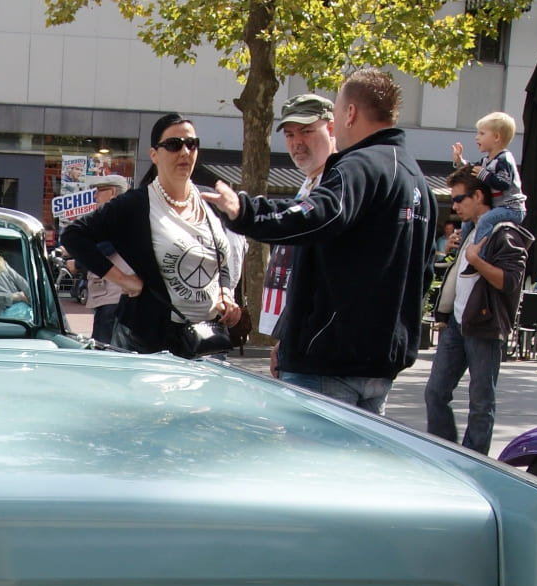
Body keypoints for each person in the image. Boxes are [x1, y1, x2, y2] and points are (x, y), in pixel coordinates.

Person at [205, 68, 436, 414]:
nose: (298, 141)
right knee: (352, 464)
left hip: (331, 360)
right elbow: (424, 273)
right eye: (291, 134)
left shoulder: (358, 166)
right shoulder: (416, 179)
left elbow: (315, 216)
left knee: (313, 464)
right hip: (378, 360)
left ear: (349, 113)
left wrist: (245, 212)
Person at [61, 112, 244, 357]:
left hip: (207, 339)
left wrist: (225, 292)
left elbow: (220, 257)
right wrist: (123, 279)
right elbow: (74, 235)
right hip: (151, 342)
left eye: (191, 144)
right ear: (154, 155)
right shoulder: (136, 205)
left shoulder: (208, 202)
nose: (185, 152)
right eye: (174, 145)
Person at [424, 167, 530, 455]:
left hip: (484, 324)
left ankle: (474, 458)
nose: (454, 206)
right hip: (458, 324)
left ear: (479, 195)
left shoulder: (503, 232)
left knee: (481, 401)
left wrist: (476, 261)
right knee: (435, 391)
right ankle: (443, 451)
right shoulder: (471, 230)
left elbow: (510, 281)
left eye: (459, 199)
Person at [259, 93, 337, 377]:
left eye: (306, 131)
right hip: (300, 339)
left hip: (319, 351)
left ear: (332, 128)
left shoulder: (336, 183)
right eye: (290, 134)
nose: (296, 142)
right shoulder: (312, 182)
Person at [63, 175, 130, 343]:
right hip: (108, 294)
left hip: (114, 295)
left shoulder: (120, 216)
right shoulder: (112, 216)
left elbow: (105, 247)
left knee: (104, 346)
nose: (95, 196)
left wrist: (77, 262)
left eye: (100, 191)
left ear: (113, 192)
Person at [451, 112, 526, 257]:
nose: (476, 137)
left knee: (485, 219)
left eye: (482, 133)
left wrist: (484, 175)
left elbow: (503, 183)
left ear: (497, 137)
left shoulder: (505, 159)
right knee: (468, 222)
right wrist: (460, 162)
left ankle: (480, 254)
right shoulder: (486, 160)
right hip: (497, 207)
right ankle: (459, 254)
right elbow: (472, 172)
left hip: (511, 208)